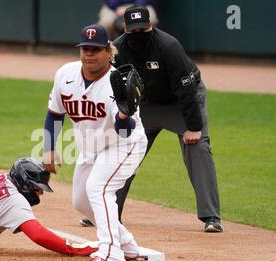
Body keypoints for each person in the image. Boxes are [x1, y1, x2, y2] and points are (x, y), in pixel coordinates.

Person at [87, 6, 223, 232]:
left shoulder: (169, 46)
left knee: (198, 147)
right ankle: (106, 210)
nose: (138, 34)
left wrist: (193, 127)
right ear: (125, 29)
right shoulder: (118, 49)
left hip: (181, 102)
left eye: (143, 29)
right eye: (133, 31)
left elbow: (186, 90)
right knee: (123, 149)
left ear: (151, 27)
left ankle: (211, 217)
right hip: (146, 104)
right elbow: (111, 88)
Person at [42, 23, 148, 261]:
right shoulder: (65, 74)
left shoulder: (117, 82)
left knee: (98, 187)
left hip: (124, 144)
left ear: (108, 52)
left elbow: (125, 130)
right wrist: (49, 147)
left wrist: (123, 115)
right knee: (81, 201)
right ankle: (128, 246)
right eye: (85, 48)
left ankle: (111, 255)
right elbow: (54, 114)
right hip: (90, 149)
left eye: (96, 49)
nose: (89, 53)